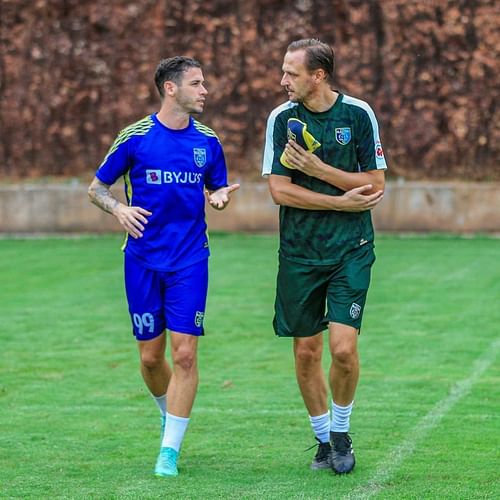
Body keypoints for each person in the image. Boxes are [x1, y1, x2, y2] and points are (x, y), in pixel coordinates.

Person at [88, 56, 239, 478]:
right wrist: (117, 208)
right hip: (141, 260)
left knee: (185, 354)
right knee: (152, 359)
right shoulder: (135, 138)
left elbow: (217, 188)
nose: (205, 90)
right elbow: (97, 188)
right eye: (196, 83)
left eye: (204, 82)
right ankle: (167, 414)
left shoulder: (208, 142)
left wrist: (221, 198)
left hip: (191, 259)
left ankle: (169, 452)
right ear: (170, 88)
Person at [262, 38, 386, 475]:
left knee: (344, 348)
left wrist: (319, 172)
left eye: (291, 73)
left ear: (318, 76)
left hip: (351, 249)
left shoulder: (358, 114)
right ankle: (321, 441)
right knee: (306, 352)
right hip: (299, 252)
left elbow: (374, 185)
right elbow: (279, 190)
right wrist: (338, 200)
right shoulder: (282, 119)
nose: (283, 81)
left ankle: (341, 432)